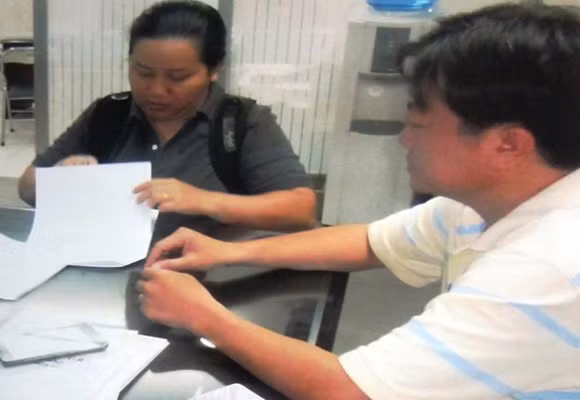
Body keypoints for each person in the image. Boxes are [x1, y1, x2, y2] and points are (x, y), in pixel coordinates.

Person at [136, 4, 580, 399]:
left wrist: (204, 317)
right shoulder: (482, 203)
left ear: (507, 144)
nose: (404, 140)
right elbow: (369, 242)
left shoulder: (547, 267)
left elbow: (350, 391)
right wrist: (229, 252)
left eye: (419, 125)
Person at [18, 0, 317, 242]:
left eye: (178, 77)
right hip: (106, 270)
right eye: (143, 72)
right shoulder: (109, 114)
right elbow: (27, 188)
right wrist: (59, 177)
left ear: (214, 70)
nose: (157, 90)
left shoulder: (240, 123)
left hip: (208, 279)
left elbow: (300, 209)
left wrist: (202, 200)